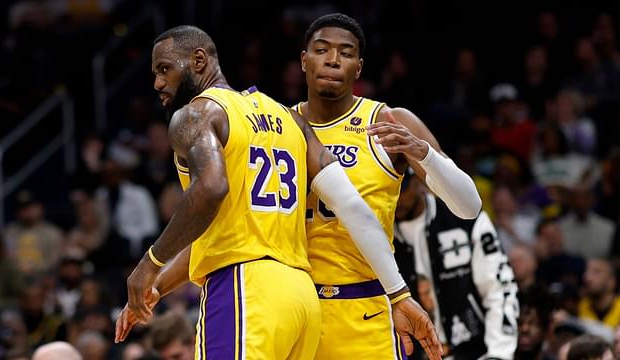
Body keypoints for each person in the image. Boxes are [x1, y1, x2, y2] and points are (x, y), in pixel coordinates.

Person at [117, 25, 442, 360]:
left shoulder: (197, 114)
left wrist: (149, 264)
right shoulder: (287, 118)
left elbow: (211, 188)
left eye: (164, 69)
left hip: (245, 287)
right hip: (302, 297)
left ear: (199, 60)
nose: (158, 83)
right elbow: (351, 206)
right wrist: (399, 292)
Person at [292, 13, 482, 359]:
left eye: (345, 53)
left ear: (359, 67)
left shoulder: (388, 121)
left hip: (366, 307)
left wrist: (422, 153)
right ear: (304, 60)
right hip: (295, 308)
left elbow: (469, 206)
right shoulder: (280, 125)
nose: (333, 59)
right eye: (322, 50)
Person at [393, 172, 518, 359]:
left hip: (474, 350)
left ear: (418, 180)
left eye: (401, 187)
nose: (395, 196)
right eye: (387, 189)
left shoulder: (464, 215)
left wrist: (499, 353)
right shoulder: (377, 231)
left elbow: (499, 288)